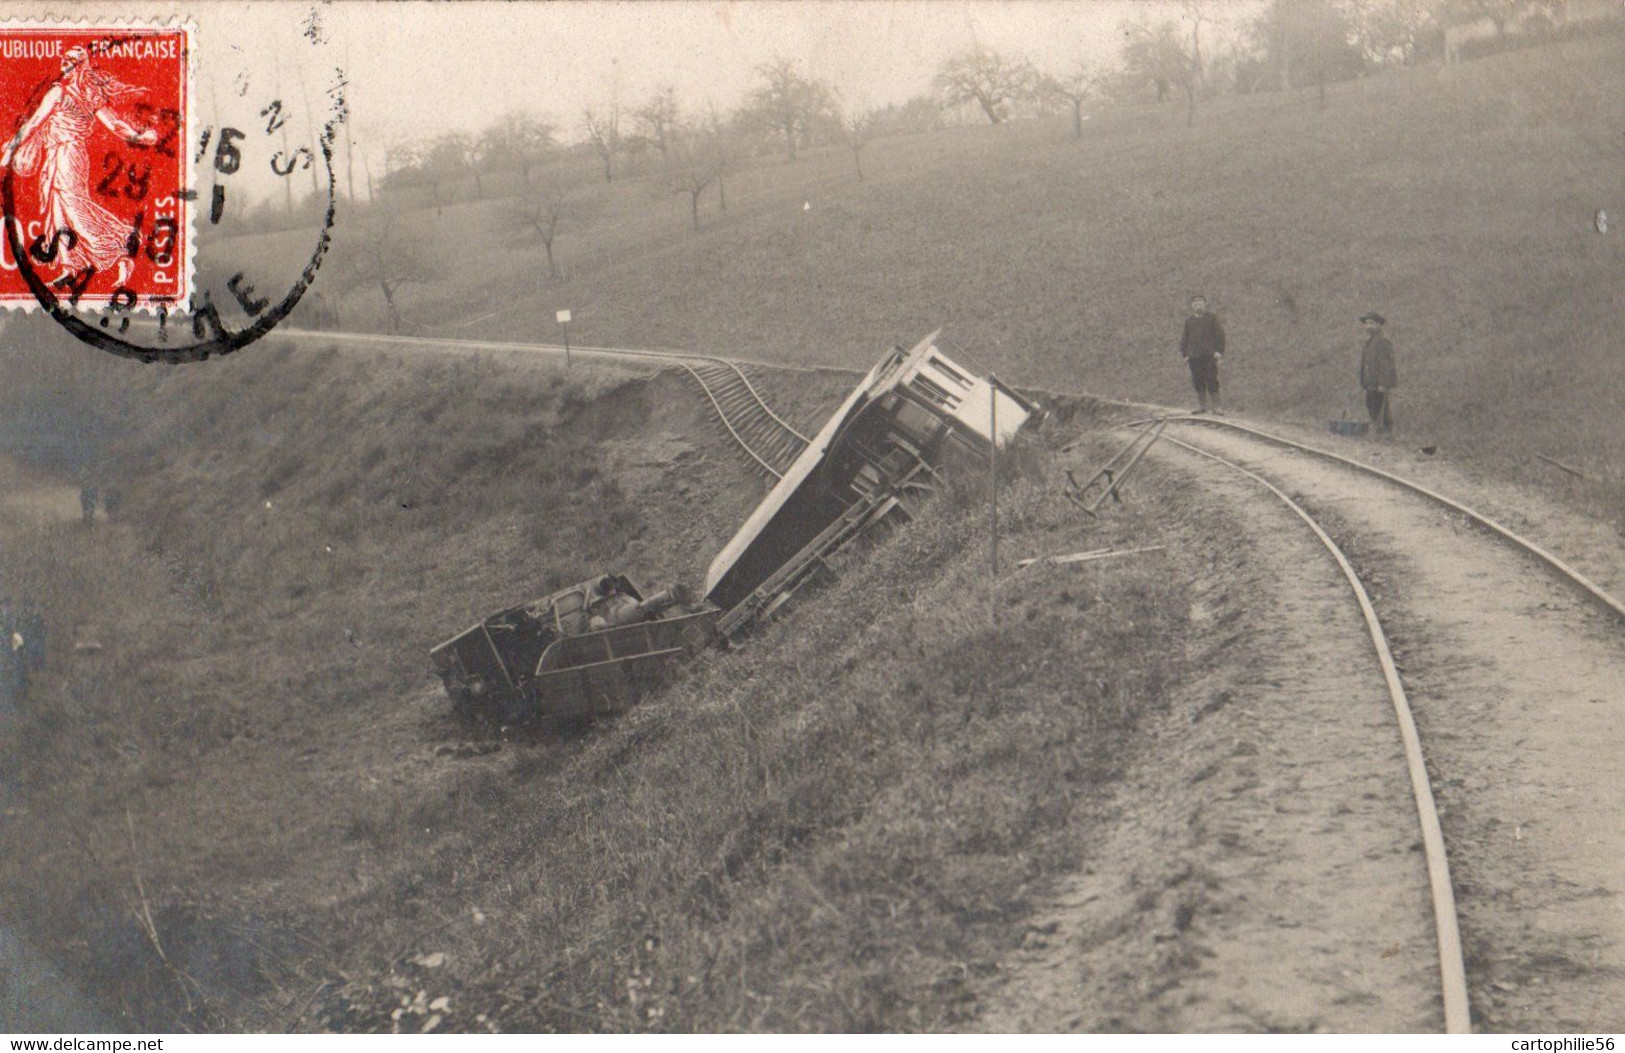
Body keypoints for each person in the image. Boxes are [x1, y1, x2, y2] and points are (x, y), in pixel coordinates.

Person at [0, 46, 159, 288]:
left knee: (75, 208)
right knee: (59, 209)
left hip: (67, 154)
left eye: (70, 63)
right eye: (64, 62)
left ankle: (120, 249)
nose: (64, 66)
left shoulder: (61, 93)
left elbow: (34, 124)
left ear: (79, 67)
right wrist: (140, 136)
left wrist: (12, 147)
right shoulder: (85, 96)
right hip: (63, 154)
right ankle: (70, 266)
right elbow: (116, 125)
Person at [1179, 295, 1226, 415]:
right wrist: (1185, 354)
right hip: (1194, 356)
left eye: (1200, 303)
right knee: (1198, 380)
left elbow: (1220, 335)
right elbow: (1185, 339)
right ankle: (1202, 406)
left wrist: (1218, 352)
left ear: (1204, 304)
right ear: (1192, 306)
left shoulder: (1212, 318)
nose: (1198, 305)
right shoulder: (1189, 321)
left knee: (1212, 379)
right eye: (1195, 304)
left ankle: (1217, 407)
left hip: (1209, 355)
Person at [1358, 312, 1397, 434]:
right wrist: (1364, 380)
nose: (1368, 326)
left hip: (1378, 383)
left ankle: (1386, 433)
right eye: (1366, 323)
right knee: (1371, 405)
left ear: (1379, 324)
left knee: (1381, 408)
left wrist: (1383, 383)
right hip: (1371, 382)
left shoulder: (1383, 341)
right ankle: (1379, 432)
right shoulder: (1370, 341)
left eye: (1372, 323)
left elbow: (1387, 365)